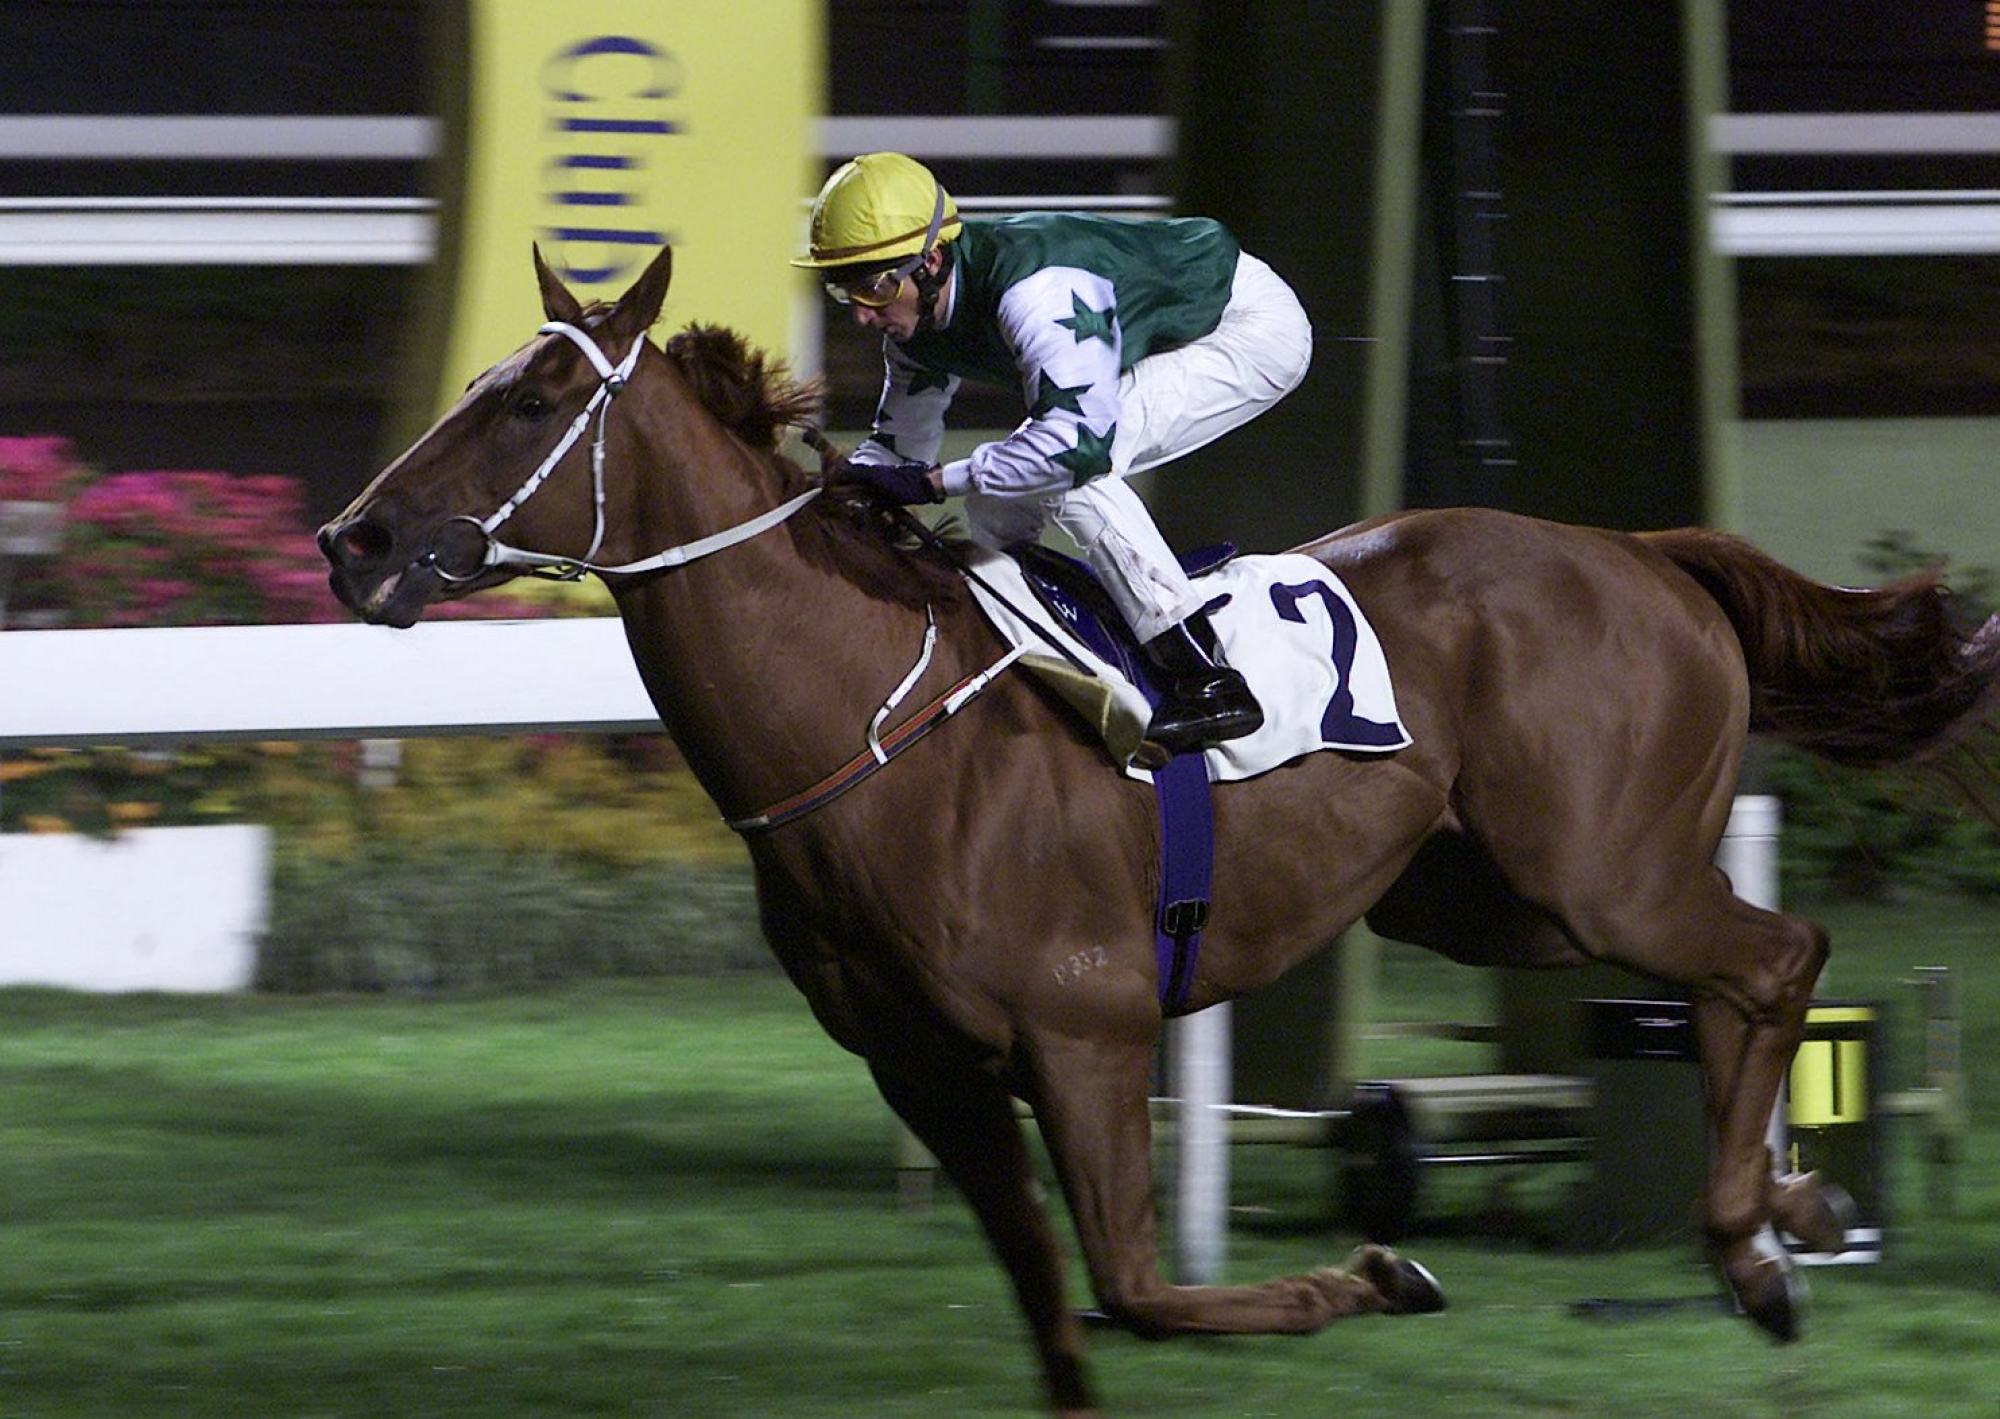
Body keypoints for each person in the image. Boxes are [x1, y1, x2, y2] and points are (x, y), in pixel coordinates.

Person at [793, 151, 1312, 754]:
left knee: (1072, 478)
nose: (860, 313)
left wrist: (938, 482)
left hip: (1244, 329)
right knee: (993, 510)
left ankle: (1206, 679)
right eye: (843, 290)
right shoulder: (913, 328)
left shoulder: (1038, 291)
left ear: (930, 261)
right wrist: (834, 491)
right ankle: (1037, 646)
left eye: (873, 286)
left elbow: (1076, 447)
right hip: (1160, 337)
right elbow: (898, 451)